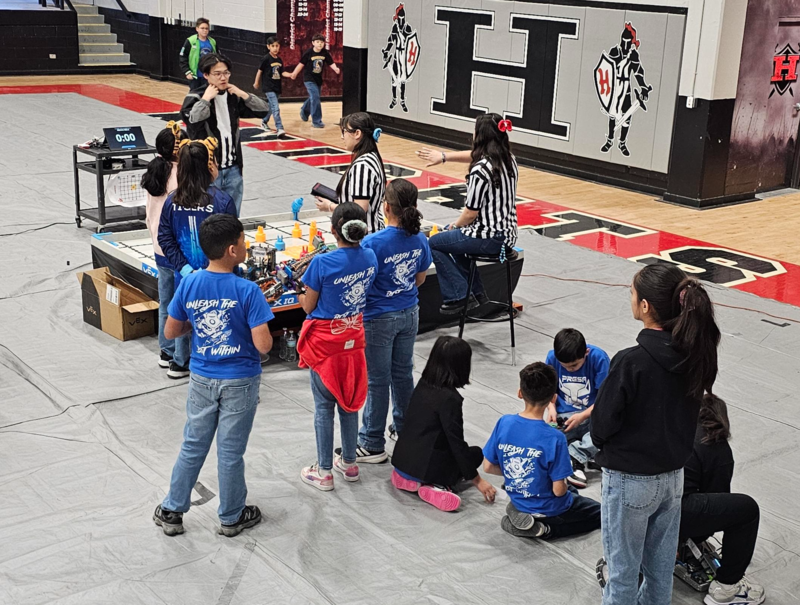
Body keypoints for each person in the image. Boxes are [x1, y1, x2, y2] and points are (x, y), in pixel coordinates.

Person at [591, 263, 721, 605]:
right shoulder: (695, 355)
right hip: (672, 480)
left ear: (646, 306)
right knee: (660, 575)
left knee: (621, 576)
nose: (631, 299)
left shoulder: (631, 361)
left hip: (630, 480)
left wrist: (607, 447)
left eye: (633, 294)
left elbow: (601, 425)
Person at [153, 214, 274, 538]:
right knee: (230, 452)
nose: (246, 245)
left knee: (193, 444)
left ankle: (172, 509)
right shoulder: (248, 290)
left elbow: (171, 329)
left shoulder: (190, 283)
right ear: (233, 250)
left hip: (203, 378)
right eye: (244, 241)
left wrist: (201, 325)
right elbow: (263, 345)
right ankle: (232, 515)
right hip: (240, 380)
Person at [296, 203, 378, 491]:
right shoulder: (370, 256)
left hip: (325, 345)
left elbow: (308, 306)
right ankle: (351, 463)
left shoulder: (322, 263)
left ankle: (324, 471)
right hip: (354, 342)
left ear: (333, 230)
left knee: (323, 407)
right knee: (349, 401)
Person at [354, 179, 431, 463]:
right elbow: (420, 278)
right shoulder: (420, 239)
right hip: (410, 311)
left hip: (378, 318)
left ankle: (372, 442)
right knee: (402, 374)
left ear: (385, 208)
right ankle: (404, 428)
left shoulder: (373, 243)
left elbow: (361, 281)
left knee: (377, 380)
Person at [483, 362, 601, 540]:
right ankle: (546, 529)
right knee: (601, 514)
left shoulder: (504, 422)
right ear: (553, 399)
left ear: (520, 393)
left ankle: (519, 510)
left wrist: (519, 478)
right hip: (550, 508)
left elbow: (488, 467)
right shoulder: (555, 438)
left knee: (572, 492)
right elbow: (559, 491)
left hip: (519, 498)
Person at [157, 138, 238, 378]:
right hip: (217, 276)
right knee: (217, 316)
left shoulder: (172, 201)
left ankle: (180, 362)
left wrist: (183, 269)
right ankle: (216, 360)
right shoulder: (222, 200)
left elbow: (165, 239)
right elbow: (233, 239)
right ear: (208, 166)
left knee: (183, 312)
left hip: (186, 275)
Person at [424, 113, 518, 314]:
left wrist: (454, 225)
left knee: (435, 242)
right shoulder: (509, 159)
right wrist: (444, 157)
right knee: (457, 241)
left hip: (489, 238)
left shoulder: (480, 170)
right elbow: (476, 154)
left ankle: (458, 295)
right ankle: (478, 293)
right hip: (507, 236)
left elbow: (470, 213)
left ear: (479, 136)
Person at [391, 336, 497, 512]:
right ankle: (437, 486)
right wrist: (478, 480)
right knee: (475, 454)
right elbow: (456, 442)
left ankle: (407, 478)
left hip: (402, 460)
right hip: (427, 466)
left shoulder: (422, 384)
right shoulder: (450, 399)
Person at [681, 394, 764, 605]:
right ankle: (728, 587)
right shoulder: (716, 446)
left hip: (643, 504)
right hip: (674, 510)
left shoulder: (674, 428)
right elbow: (717, 499)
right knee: (746, 511)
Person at [181, 53, 270, 215]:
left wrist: (243, 94)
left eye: (226, 73)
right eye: (217, 74)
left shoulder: (232, 96)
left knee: (232, 216)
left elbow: (264, 110)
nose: (223, 78)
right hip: (207, 170)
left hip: (233, 169)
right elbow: (193, 121)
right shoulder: (195, 96)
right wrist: (206, 99)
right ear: (206, 75)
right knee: (208, 218)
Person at [141, 121, 186, 371]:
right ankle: (180, 359)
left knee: (166, 302)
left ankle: (166, 351)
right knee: (179, 305)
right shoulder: (180, 175)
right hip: (177, 250)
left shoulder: (155, 169)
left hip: (158, 248)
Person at [544, 328, 610, 488]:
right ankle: (586, 452)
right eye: (564, 366)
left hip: (592, 415)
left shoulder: (598, 358)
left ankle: (575, 455)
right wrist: (551, 407)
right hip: (565, 417)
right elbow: (547, 390)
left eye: (574, 365)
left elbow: (606, 399)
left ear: (586, 352)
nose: (569, 369)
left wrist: (583, 416)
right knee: (545, 439)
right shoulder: (551, 357)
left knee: (613, 428)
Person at [314, 112, 386, 233]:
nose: (342, 137)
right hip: (370, 232)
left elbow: (358, 210)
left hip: (363, 236)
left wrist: (330, 206)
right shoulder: (371, 157)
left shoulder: (363, 165)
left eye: (344, 132)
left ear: (357, 133)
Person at [289, 33, 340, 129]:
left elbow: (330, 62)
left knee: (314, 97)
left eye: (321, 42)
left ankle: (304, 110)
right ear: (313, 43)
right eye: (317, 42)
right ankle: (316, 121)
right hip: (309, 79)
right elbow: (301, 64)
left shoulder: (324, 53)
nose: (320, 44)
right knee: (315, 97)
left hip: (318, 79)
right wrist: (294, 73)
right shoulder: (309, 53)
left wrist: (336, 68)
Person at [253, 36, 291, 137]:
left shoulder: (279, 60)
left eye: (277, 46)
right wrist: (256, 82)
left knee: (271, 107)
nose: (275, 48)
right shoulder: (266, 58)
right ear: (268, 47)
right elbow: (259, 71)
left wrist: (290, 75)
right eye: (273, 46)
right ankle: (280, 128)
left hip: (277, 87)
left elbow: (282, 72)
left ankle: (264, 121)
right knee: (276, 108)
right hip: (268, 87)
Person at [179, 18, 217, 92]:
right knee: (194, 95)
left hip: (208, 75)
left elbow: (217, 57)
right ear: (197, 29)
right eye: (202, 28)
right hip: (195, 76)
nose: (205, 30)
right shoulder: (190, 41)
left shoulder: (212, 42)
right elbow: (183, 56)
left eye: (206, 28)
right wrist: (187, 71)